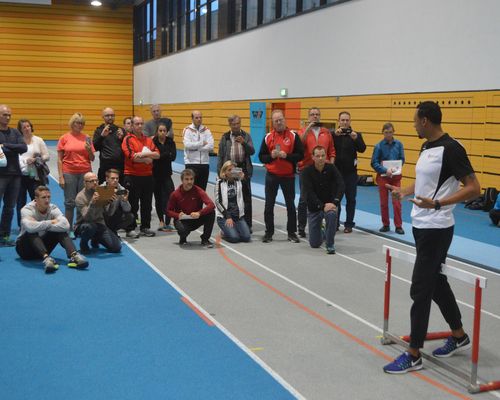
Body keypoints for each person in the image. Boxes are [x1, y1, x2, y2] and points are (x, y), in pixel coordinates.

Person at [383, 101, 481, 374]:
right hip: (421, 225)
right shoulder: (427, 147)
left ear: (425, 120)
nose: (413, 124)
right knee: (436, 282)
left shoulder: (452, 149)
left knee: (421, 288)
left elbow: (474, 188)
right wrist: (405, 191)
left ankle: (414, 354)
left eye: (415, 120)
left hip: (437, 228)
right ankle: (459, 334)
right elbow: (426, 183)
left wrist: (439, 204)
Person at [16, 186, 89, 273]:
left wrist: (40, 224)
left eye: (49, 197)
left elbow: (66, 225)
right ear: (36, 199)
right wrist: (52, 222)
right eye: (43, 197)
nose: (47, 200)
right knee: (31, 232)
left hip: (42, 247)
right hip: (24, 250)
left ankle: (74, 255)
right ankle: (47, 259)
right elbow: (30, 228)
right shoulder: (27, 210)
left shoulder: (53, 208)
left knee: (61, 231)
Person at [258, 109, 304, 243]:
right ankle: (269, 233)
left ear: (285, 120)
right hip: (272, 175)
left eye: (281, 120)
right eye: (276, 120)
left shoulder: (294, 136)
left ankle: (291, 233)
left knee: (290, 205)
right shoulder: (267, 137)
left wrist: (287, 156)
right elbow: (261, 157)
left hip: (288, 176)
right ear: (273, 123)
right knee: (269, 205)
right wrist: (270, 157)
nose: (279, 122)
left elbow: (301, 155)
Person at [297, 107, 336, 238]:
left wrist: (331, 165)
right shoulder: (302, 131)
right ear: (308, 117)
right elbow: (299, 145)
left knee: (322, 198)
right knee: (304, 199)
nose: (315, 116)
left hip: (323, 170)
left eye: (317, 114)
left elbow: (331, 150)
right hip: (306, 170)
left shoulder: (326, 132)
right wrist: (308, 128)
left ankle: (323, 226)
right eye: (312, 114)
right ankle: (301, 227)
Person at [301, 146, 344, 254]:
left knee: (332, 214)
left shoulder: (332, 168)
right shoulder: (306, 172)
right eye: (318, 156)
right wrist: (321, 206)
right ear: (313, 157)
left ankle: (330, 244)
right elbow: (309, 193)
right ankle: (323, 230)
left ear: (326, 156)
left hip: (330, 205)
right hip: (314, 208)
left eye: (323, 155)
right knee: (314, 244)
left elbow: (341, 185)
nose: (320, 158)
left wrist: (335, 203)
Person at [121, 116, 160, 237]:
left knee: (147, 204)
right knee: (132, 204)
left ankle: (145, 227)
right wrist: (147, 160)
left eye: (141, 123)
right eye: (137, 124)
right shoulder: (127, 139)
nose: (139, 126)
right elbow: (131, 156)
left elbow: (157, 154)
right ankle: (130, 228)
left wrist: (144, 155)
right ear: (132, 126)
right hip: (132, 176)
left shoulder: (148, 140)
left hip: (147, 176)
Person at [57, 112, 95, 233]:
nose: (80, 125)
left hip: (85, 173)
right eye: (78, 122)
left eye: (82, 123)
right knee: (70, 202)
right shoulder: (64, 138)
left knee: (83, 201)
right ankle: (68, 229)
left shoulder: (87, 138)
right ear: (72, 123)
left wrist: (89, 151)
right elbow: (59, 159)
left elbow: (92, 158)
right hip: (69, 173)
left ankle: (78, 227)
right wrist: (61, 177)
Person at [217, 114, 255, 231]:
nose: (236, 126)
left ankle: (247, 224)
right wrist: (220, 172)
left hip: (243, 168)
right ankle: (231, 221)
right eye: (233, 124)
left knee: (246, 198)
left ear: (240, 123)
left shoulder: (246, 135)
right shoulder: (225, 137)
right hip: (230, 169)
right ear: (230, 125)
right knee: (230, 196)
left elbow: (252, 151)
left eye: (238, 123)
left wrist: (244, 143)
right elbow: (220, 155)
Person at [333, 111, 366, 233]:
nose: (345, 122)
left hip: (351, 174)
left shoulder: (356, 135)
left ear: (350, 121)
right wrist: (334, 136)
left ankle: (349, 225)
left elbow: (362, 149)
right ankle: (335, 223)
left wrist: (356, 138)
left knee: (351, 199)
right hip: (336, 173)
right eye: (343, 120)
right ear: (339, 121)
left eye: (347, 120)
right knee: (336, 199)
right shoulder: (334, 134)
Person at [0, 104, 28, 246]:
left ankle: (4, 235)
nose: (8, 117)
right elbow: (18, 148)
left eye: (9, 114)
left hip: (15, 174)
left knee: (10, 206)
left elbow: (23, 148)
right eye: (5, 114)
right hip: (1, 175)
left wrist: (5, 146)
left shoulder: (15, 132)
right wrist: (13, 148)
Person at [371, 122, 405, 234]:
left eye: (390, 132)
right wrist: (385, 170)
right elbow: (374, 163)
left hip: (395, 177)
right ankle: (385, 224)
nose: (388, 134)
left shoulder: (399, 144)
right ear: (382, 133)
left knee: (397, 203)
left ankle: (398, 226)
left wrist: (396, 169)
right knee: (384, 203)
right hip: (383, 178)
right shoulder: (378, 146)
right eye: (386, 132)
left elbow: (402, 159)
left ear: (393, 132)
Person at [167, 168, 215, 248]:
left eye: (191, 179)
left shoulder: (198, 190)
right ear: (182, 180)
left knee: (211, 212)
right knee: (183, 230)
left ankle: (205, 239)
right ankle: (183, 238)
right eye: (186, 179)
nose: (189, 182)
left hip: (195, 218)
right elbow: (168, 211)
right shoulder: (175, 194)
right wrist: (178, 215)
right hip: (182, 220)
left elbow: (211, 205)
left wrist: (199, 213)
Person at [75, 172, 121, 254]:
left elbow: (109, 213)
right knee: (90, 227)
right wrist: (92, 203)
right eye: (91, 181)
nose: (95, 183)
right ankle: (83, 244)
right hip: (83, 225)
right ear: (85, 183)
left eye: (96, 180)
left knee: (116, 248)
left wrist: (112, 202)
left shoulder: (101, 191)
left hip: (99, 224)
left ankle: (95, 238)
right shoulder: (80, 197)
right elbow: (87, 218)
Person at [16, 119, 50, 228]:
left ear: (31, 127)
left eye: (28, 126)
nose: (26, 129)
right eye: (24, 127)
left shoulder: (38, 140)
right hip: (20, 176)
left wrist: (36, 159)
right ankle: (22, 225)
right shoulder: (17, 141)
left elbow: (47, 156)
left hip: (35, 176)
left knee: (36, 200)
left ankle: (36, 223)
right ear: (20, 130)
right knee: (20, 202)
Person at [215, 160, 251, 243]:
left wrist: (244, 179)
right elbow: (218, 202)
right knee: (235, 238)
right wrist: (227, 217)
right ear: (224, 172)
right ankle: (223, 232)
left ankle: (233, 229)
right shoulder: (220, 183)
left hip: (238, 216)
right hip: (224, 217)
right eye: (229, 170)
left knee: (246, 237)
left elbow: (247, 195)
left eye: (233, 170)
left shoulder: (239, 181)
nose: (231, 172)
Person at [153, 123, 177, 232]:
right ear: (157, 131)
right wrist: (166, 154)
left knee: (170, 197)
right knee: (158, 198)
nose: (162, 132)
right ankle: (161, 221)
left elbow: (173, 157)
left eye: (164, 131)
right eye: (160, 130)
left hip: (167, 174)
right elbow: (153, 157)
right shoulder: (153, 142)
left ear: (167, 132)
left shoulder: (170, 142)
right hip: (156, 175)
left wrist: (160, 155)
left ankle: (168, 221)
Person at [182, 110, 214, 190]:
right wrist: (201, 143)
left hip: (204, 164)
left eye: (200, 117)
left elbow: (211, 146)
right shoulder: (187, 130)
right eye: (196, 118)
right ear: (192, 119)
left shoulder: (206, 130)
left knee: (202, 191)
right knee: (190, 190)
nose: (199, 119)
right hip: (191, 163)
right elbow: (187, 145)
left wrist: (197, 148)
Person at [92, 107, 125, 184]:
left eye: (112, 115)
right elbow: (94, 148)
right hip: (105, 167)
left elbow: (127, 148)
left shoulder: (120, 130)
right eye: (107, 115)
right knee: (104, 193)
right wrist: (102, 136)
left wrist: (122, 138)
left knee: (119, 192)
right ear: (103, 117)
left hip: (120, 166)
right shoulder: (99, 130)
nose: (110, 117)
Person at [101, 168, 135, 235]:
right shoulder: (102, 189)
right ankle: (103, 231)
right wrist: (108, 200)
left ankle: (113, 230)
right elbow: (102, 211)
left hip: (112, 216)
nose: (115, 180)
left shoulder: (121, 189)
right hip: (102, 218)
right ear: (107, 179)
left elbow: (127, 209)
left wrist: (125, 200)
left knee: (130, 217)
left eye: (117, 178)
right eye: (113, 178)